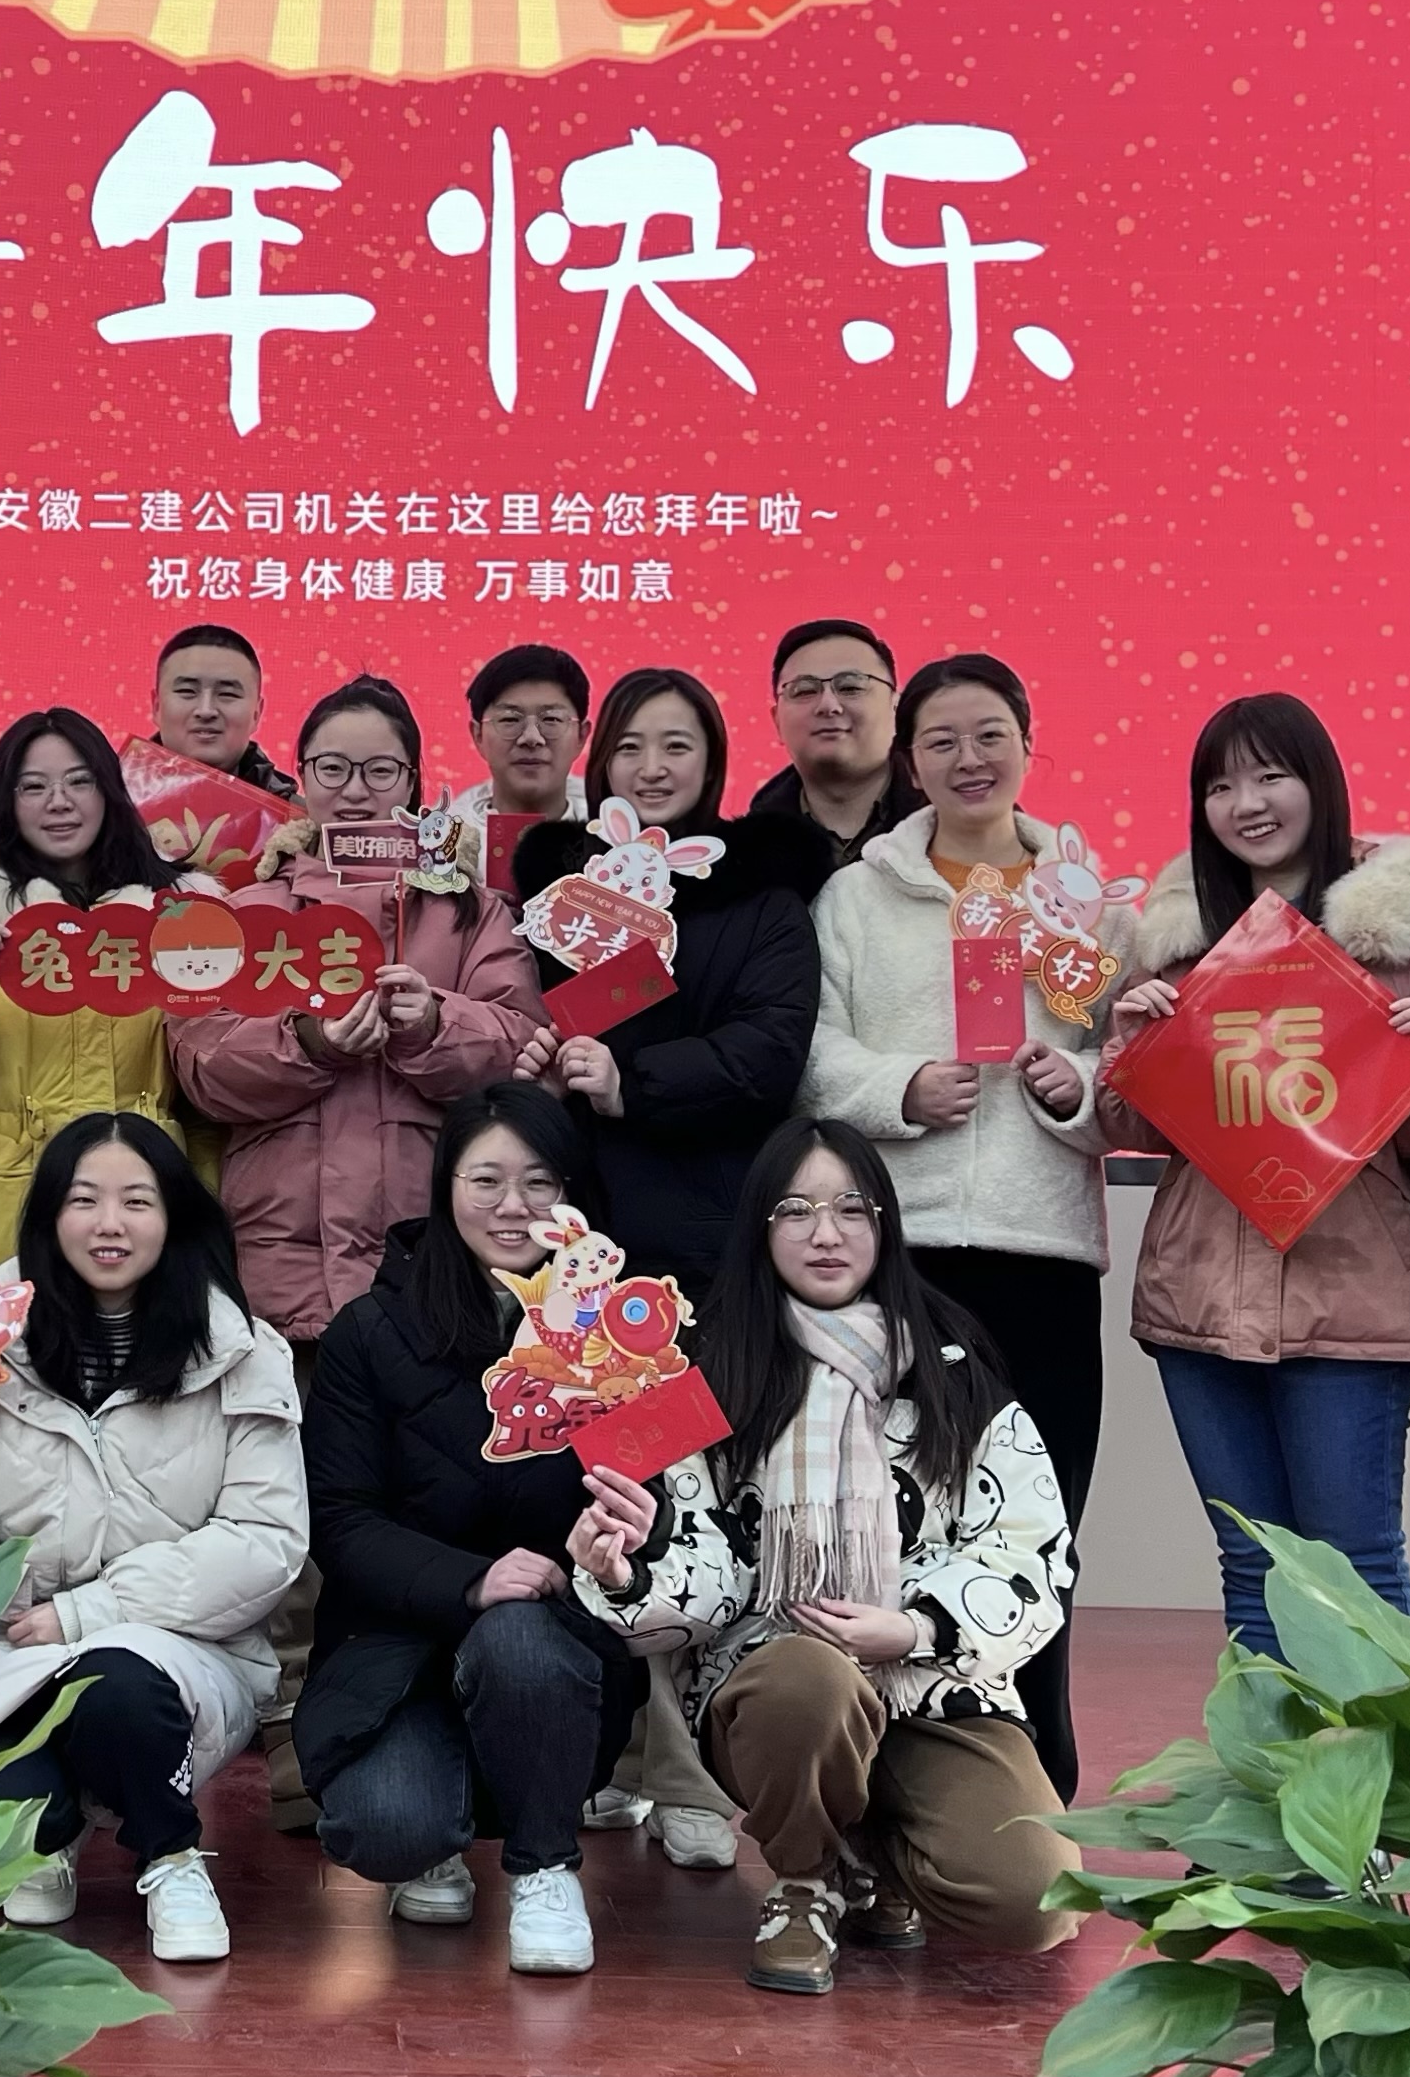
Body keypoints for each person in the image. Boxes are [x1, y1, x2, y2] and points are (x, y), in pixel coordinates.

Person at [567, 1120, 1082, 1996]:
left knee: (1035, 1902)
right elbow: (705, 1572)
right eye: (795, 1210)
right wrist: (625, 1570)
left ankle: (870, 1854)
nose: (825, 1233)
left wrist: (912, 1627)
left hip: (932, 1686)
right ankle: (804, 1882)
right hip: (775, 1689)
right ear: (760, 1229)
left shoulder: (954, 1374)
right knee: (806, 1678)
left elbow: (1030, 1551)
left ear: (883, 1224)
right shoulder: (709, 1374)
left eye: (850, 1208)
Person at [170, 675, 544, 1829]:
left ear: (416, 785)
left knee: (424, 1515)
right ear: (298, 780)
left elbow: (520, 1046)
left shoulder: (468, 911)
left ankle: (428, 1747)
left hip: (431, 1274)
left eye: (380, 769)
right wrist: (309, 1040)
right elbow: (200, 1063)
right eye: (331, 768)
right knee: (285, 1523)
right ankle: (299, 1756)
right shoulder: (243, 908)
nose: (355, 789)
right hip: (278, 1267)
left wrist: (435, 1021)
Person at [1097, 695, 1410, 1657]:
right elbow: (1129, 1129)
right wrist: (1131, 1051)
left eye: (1269, 776)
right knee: (1249, 1566)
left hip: (1356, 1297)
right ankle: (1267, 1755)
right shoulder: (1175, 945)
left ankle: (1382, 1763)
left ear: (1319, 784)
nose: (1245, 803)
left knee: (1354, 1563)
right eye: (1219, 786)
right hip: (1197, 1298)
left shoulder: (1406, 935)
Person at [509, 665, 827, 1866]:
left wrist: (632, 1078)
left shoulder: (759, 895)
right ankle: (606, 1753)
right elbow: (538, 1018)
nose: (652, 766)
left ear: (713, 761)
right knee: (594, 1490)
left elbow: (770, 1050)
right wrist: (546, 1057)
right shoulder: (567, 891)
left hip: (702, 1243)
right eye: (632, 745)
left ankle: (687, 1765)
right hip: (583, 1240)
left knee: (695, 1491)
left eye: (677, 745)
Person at [0, 1115, 307, 1964]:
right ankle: (49, 1835)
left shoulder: (244, 1351)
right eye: (84, 1201)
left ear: (175, 1216)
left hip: (177, 1644)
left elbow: (265, 1540)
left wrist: (85, 1613)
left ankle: (171, 1854)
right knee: (9, 1812)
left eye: (136, 1202)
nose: (109, 1224)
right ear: (47, 1216)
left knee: (114, 1685)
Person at [797, 650, 1107, 1801]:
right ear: (907, 758)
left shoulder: (1086, 893)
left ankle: (1036, 1778)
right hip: (903, 1252)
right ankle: (892, 1782)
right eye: (940, 740)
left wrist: (1077, 1088)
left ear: (1026, 741)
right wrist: (897, 1088)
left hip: (1044, 1251)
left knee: (1040, 1522)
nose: (967, 759)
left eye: (989, 735)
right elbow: (810, 1055)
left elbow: (1136, 1056)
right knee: (890, 1517)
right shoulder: (856, 895)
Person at [296, 1085, 644, 1976]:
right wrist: (468, 1580)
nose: (511, 1206)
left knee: (520, 1637)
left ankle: (543, 1865)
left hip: (549, 1641)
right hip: (393, 1646)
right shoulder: (368, 1332)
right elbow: (339, 1518)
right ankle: (435, 1838)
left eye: (538, 1182)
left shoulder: (622, 1331)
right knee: (387, 1828)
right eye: (485, 1180)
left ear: (572, 1193)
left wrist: (619, 1542)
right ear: (445, 1187)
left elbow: (658, 1493)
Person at [0, 710, 210, 1290]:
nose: (59, 802)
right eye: (33, 786)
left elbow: (208, 1104)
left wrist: (202, 1225)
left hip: (137, 1226)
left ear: (110, 791)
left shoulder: (178, 918)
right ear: (6, 800)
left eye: (79, 781)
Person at [748, 621, 918, 866]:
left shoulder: (950, 824)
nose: (828, 706)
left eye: (850, 687)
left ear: (897, 709)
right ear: (777, 721)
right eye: (804, 691)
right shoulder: (747, 852)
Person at [441, 644, 592, 835]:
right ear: (478, 735)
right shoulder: (439, 842)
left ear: (581, 736)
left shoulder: (612, 842)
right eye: (510, 719)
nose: (531, 738)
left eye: (551, 719)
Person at [152, 622, 297, 798]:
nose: (206, 711)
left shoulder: (298, 814)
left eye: (227, 694)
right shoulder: (120, 802)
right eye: (187, 691)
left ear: (256, 713)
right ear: (156, 706)